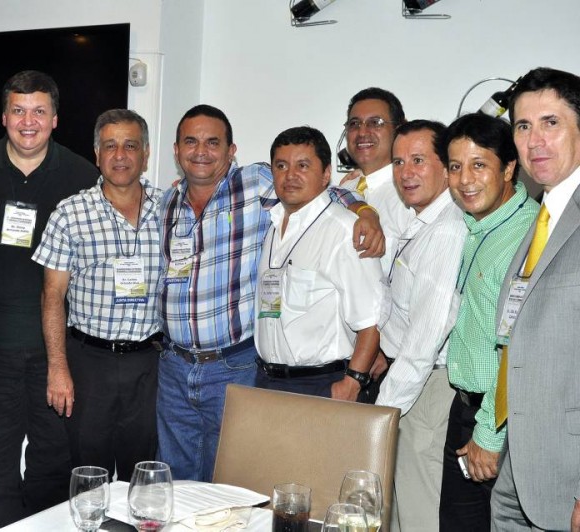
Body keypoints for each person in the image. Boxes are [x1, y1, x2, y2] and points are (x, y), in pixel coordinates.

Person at [157, 104, 384, 482]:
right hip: (176, 368)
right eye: (191, 141)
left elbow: (325, 195)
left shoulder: (256, 185)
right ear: (176, 149)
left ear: (232, 151)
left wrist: (366, 211)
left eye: (213, 142)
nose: (201, 151)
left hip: (234, 365)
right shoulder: (166, 204)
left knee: (240, 478)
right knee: (177, 475)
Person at [0, 70, 98, 530]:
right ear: (3, 116)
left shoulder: (83, 176)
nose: (28, 121)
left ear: (55, 119)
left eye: (39, 111)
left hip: (56, 356)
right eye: (18, 110)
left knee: (53, 468)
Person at [32, 109, 162, 481]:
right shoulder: (70, 214)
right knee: (90, 474)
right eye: (110, 146)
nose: (120, 155)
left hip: (149, 364)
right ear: (96, 154)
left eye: (130, 145)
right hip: (90, 362)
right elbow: (52, 295)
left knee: (145, 473)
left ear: (146, 153)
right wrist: (58, 368)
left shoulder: (170, 209)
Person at [490, 67, 580, 532]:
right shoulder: (542, 214)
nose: (534, 140)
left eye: (551, 122)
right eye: (523, 126)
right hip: (521, 466)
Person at [438, 113, 538, 531]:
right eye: (456, 167)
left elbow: (519, 347)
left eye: (479, 165)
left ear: (509, 168)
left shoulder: (529, 236)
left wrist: (490, 435)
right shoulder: (470, 225)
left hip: (500, 421)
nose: (465, 180)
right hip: (463, 409)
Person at [374, 120, 466, 532]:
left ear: (446, 167)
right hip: (410, 378)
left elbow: (426, 338)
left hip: (425, 385)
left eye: (417, 160)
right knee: (397, 506)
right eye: (397, 162)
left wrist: (385, 409)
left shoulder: (446, 229)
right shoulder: (422, 221)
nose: (405, 173)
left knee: (417, 509)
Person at [254, 126, 385, 400]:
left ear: (326, 174)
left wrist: (353, 381)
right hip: (268, 381)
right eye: (281, 165)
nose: (290, 175)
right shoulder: (274, 225)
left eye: (303, 165)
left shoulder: (343, 229)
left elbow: (372, 320)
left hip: (323, 384)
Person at [339, 87, 415, 276]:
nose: (362, 132)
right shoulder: (345, 189)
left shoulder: (410, 193)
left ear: (399, 130)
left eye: (375, 122)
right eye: (354, 124)